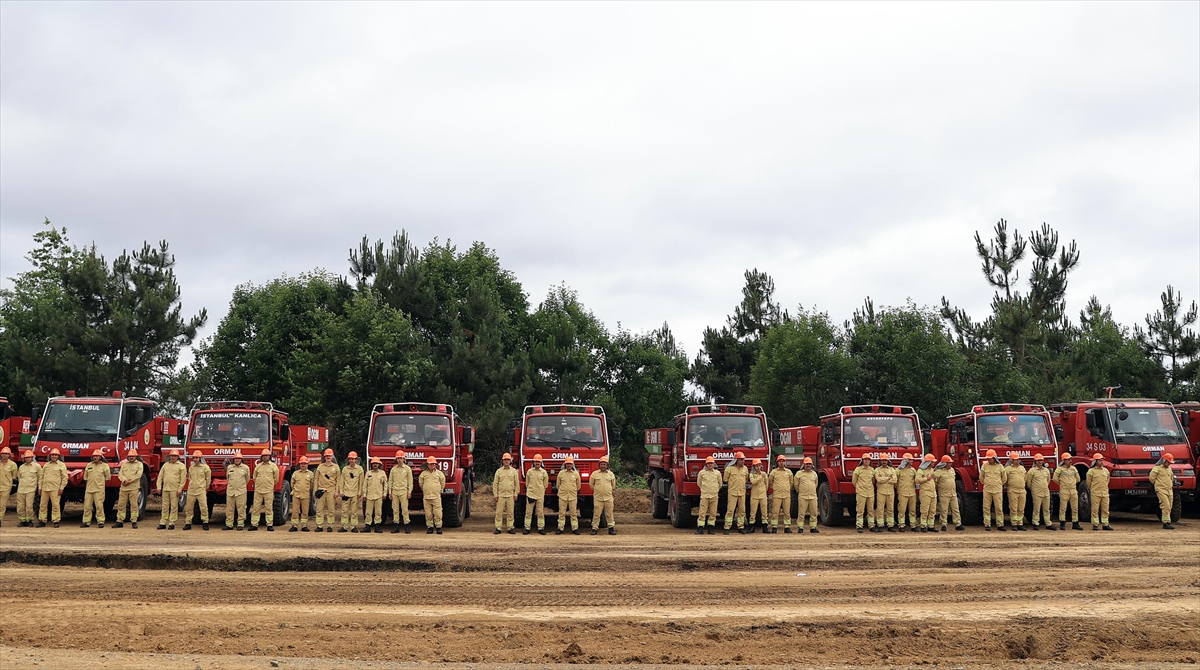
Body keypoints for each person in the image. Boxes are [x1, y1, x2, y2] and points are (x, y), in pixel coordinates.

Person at [248, 449, 279, 531]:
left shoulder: (273, 466)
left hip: (268, 490)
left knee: (268, 508)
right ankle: (254, 525)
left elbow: (276, 479)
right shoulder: (258, 466)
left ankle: (269, 524)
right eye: (264, 456)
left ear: (269, 456)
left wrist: (269, 485)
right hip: (258, 491)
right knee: (256, 508)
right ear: (261, 457)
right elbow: (254, 477)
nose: (265, 457)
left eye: (267, 455)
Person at [37, 448, 68, 528]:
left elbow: (65, 477)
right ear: (50, 456)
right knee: (42, 505)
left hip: (55, 489)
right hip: (45, 488)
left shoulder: (62, 465)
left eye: (55, 455)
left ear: (58, 456)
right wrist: (40, 487)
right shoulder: (46, 465)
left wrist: (61, 488)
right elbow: (41, 477)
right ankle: (42, 520)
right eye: (52, 455)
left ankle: (56, 520)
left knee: (55, 505)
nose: (54, 456)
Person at [156, 450, 187, 530]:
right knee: (164, 506)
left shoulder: (181, 466)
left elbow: (183, 479)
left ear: (177, 457)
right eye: (172, 456)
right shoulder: (165, 465)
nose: (173, 457)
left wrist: (180, 489)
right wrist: (159, 487)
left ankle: (172, 523)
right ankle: (163, 522)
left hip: (175, 489)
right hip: (166, 489)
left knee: (174, 507)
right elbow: (160, 477)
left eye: (174, 456)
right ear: (169, 456)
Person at [114, 449, 144, 529]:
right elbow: (120, 474)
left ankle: (134, 521)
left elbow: (138, 475)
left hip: (133, 488)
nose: (131, 458)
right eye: (130, 456)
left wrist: (129, 481)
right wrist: (124, 480)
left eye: (133, 456)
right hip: (123, 488)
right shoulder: (124, 464)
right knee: (121, 505)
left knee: (134, 505)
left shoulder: (139, 464)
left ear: (136, 457)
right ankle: (119, 521)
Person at [979, 449, 1007, 531]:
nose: (988, 460)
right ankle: (987, 524)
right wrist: (987, 483)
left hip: (997, 490)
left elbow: (1004, 478)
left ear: (994, 458)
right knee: (986, 507)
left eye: (990, 458)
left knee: (999, 508)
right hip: (987, 490)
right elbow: (981, 477)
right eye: (988, 458)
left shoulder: (1000, 466)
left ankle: (1000, 524)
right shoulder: (984, 466)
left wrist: (998, 484)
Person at [1053, 453, 1083, 530]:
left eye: (1070, 459)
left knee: (1075, 508)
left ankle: (1075, 523)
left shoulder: (1074, 469)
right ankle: (1062, 523)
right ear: (1064, 460)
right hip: (1064, 491)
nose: (1070, 461)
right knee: (1063, 508)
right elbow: (1055, 479)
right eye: (1068, 459)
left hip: (1073, 490)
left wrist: (1072, 484)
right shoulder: (1059, 469)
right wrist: (1062, 484)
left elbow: (1078, 479)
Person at [933, 455, 964, 531]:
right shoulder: (937, 472)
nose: (951, 464)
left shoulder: (952, 470)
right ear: (944, 463)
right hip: (944, 494)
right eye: (949, 463)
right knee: (944, 510)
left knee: (956, 509)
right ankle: (943, 524)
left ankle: (958, 524)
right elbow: (934, 483)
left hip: (953, 494)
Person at [183, 450, 211, 531]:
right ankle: (188, 523)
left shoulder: (206, 468)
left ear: (200, 458)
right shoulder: (191, 468)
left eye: (196, 458)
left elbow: (208, 479)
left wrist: (204, 488)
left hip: (201, 490)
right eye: (194, 458)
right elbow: (190, 478)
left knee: (203, 507)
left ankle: (205, 522)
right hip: (191, 490)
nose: (195, 459)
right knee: (189, 507)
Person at [722, 452, 750, 534]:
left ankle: (740, 527)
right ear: (736, 460)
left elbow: (746, 479)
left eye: (743, 460)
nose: (743, 461)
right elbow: (725, 479)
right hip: (732, 492)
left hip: (742, 492)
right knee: (730, 510)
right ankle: (727, 527)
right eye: (741, 460)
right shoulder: (729, 468)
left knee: (742, 511)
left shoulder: (745, 469)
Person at [314, 448, 340, 532]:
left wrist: (337, 491)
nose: (328, 457)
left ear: (332, 457)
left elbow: (338, 480)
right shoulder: (320, 467)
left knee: (331, 509)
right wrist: (315, 491)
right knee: (319, 509)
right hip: (321, 490)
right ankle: (319, 526)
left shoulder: (336, 467)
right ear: (324, 457)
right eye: (326, 456)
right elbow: (316, 479)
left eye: (329, 456)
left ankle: (330, 525)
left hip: (331, 490)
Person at [338, 451, 365, 532]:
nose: (351, 460)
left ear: (356, 460)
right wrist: (341, 491)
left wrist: (360, 492)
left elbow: (361, 482)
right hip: (345, 493)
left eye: (353, 459)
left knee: (354, 511)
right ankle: (344, 526)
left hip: (355, 494)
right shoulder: (345, 469)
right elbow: (341, 481)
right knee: (344, 511)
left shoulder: (360, 469)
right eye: (350, 459)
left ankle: (353, 526)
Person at [493, 453, 520, 534]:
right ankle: (498, 527)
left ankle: (510, 527)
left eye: (508, 459)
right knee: (499, 512)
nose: (506, 461)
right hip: (501, 495)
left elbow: (516, 484)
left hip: (510, 495)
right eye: (505, 460)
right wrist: (495, 494)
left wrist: (516, 494)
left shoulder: (514, 471)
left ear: (510, 461)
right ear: (502, 461)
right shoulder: (499, 471)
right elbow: (495, 484)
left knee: (510, 512)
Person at [81, 449, 109, 528]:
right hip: (89, 489)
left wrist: (100, 484)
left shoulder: (105, 466)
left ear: (100, 457)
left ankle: (100, 521)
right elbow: (85, 477)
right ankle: (86, 522)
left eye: (97, 456)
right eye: (94, 456)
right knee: (87, 506)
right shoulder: (89, 465)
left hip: (99, 490)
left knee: (99, 506)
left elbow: (107, 477)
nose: (95, 457)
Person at [1148, 453, 1177, 529]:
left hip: (1169, 490)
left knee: (1170, 506)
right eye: (1168, 462)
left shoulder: (1169, 469)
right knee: (1165, 505)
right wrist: (1158, 485)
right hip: (1161, 490)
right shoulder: (1157, 468)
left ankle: (1167, 521)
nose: (1169, 464)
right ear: (1164, 460)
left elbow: (1171, 478)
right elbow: (1152, 478)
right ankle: (1166, 523)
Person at [590, 455, 617, 535]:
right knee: (596, 514)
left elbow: (613, 485)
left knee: (609, 514)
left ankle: (611, 528)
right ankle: (594, 529)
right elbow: (591, 485)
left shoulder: (611, 474)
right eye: (601, 464)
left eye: (604, 464)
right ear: (599, 465)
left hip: (608, 498)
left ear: (607, 465)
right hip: (598, 498)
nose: (603, 466)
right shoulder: (594, 474)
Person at [387, 451, 413, 534]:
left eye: (401, 458)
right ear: (396, 459)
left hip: (403, 492)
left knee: (405, 509)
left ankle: (407, 526)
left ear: (403, 459)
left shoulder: (407, 469)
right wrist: (390, 492)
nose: (399, 460)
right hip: (395, 492)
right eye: (398, 458)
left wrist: (409, 492)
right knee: (395, 510)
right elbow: (390, 481)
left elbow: (410, 482)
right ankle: (396, 526)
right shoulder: (393, 469)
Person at [223, 451, 250, 531]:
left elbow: (247, 479)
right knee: (229, 508)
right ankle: (229, 524)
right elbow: (228, 478)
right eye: (235, 459)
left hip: (241, 491)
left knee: (241, 508)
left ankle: (240, 524)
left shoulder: (245, 468)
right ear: (233, 460)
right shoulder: (229, 467)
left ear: (241, 459)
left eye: (239, 459)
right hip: (231, 491)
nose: (237, 460)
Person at [1027, 454, 1054, 531]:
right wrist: (1034, 489)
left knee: (1046, 509)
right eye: (1038, 460)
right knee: (1036, 508)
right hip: (1036, 492)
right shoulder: (1032, 471)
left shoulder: (1046, 470)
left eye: (1041, 460)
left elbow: (1048, 480)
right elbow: (1029, 482)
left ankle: (1048, 523)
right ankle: (1035, 523)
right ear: (1035, 461)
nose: (1040, 462)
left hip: (1046, 492)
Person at [1086, 453, 1113, 531]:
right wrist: (1094, 489)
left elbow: (1107, 480)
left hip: (1105, 493)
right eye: (1100, 460)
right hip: (1095, 493)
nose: (1102, 462)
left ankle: (1105, 524)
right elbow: (1088, 482)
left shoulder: (1106, 471)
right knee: (1095, 509)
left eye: (1102, 460)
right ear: (1095, 461)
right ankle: (1095, 524)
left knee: (1105, 509)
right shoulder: (1091, 471)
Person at [418, 456, 445, 534]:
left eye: (433, 463)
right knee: (428, 513)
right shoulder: (423, 474)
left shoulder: (439, 474)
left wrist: (438, 490)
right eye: (430, 464)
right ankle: (430, 527)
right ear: (427, 464)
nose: (432, 465)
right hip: (426, 497)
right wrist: (426, 490)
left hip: (436, 497)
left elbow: (442, 483)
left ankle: (438, 527)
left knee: (438, 513)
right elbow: (421, 484)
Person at [524, 454, 549, 535]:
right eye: (536, 462)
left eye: (538, 462)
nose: (537, 463)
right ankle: (527, 528)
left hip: (540, 495)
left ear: (541, 463)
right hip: (530, 495)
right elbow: (527, 483)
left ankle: (541, 528)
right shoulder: (529, 472)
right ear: (533, 462)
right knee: (528, 512)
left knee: (540, 512)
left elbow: (545, 485)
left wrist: (541, 491)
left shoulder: (544, 472)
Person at [556, 457, 582, 535]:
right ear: (565, 464)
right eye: (567, 464)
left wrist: (573, 491)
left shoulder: (576, 474)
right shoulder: (561, 473)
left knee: (573, 513)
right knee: (561, 513)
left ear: (572, 465)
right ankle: (560, 528)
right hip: (562, 496)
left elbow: (578, 486)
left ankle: (575, 528)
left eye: (570, 464)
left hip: (572, 496)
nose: (569, 465)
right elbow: (558, 484)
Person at [767, 455, 793, 533]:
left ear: (785, 462)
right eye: (780, 461)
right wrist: (775, 489)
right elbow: (770, 482)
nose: (781, 463)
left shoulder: (789, 472)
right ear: (777, 462)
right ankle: (774, 527)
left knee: (787, 511)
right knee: (775, 511)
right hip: (777, 495)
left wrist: (787, 489)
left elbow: (791, 482)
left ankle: (787, 527)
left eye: (783, 461)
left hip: (786, 495)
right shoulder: (773, 472)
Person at [793, 457, 819, 533]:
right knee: (801, 513)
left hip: (813, 496)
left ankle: (813, 527)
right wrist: (801, 492)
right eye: (807, 464)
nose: (808, 465)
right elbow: (796, 485)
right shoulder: (799, 474)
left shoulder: (814, 474)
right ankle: (800, 527)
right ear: (804, 465)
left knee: (814, 513)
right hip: (803, 496)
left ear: (812, 465)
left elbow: (816, 484)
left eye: (809, 464)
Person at [696, 456, 721, 534]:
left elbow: (720, 484)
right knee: (702, 512)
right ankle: (700, 528)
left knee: (713, 513)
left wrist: (715, 490)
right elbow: (699, 483)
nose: (710, 465)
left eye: (711, 463)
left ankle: (711, 528)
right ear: (706, 464)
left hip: (714, 496)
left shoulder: (717, 473)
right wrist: (704, 490)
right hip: (704, 496)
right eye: (708, 463)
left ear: (714, 464)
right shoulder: (702, 473)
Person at [852, 454, 876, 533]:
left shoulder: (872, 470)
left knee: (871, 510)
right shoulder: (858, 470)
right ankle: (859, 526)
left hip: (870, 492)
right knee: (860, 510)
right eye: (865, 459)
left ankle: (871, 526)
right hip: (861, 493)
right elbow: (854, 481)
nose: (867, 461)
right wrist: (859, 488)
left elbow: (873, 481)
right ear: (862, 460)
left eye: (868, 460)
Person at [1004, 452, 1028, 531]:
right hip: (1012, 490)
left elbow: (1025, 478)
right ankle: (1014, 524)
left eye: (1017, 459)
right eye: (1015, 460)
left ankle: (1020, 523)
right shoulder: (1007, 469)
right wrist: (1010, 486)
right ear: (1011, 460)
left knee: (1021, 508)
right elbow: (1005, 480)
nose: (1017, 461)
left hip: (1022, 490)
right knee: (1013, 508)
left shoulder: (1022, 468)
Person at [16, 450, 40, 527]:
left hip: (31, 489)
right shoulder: (21, 467)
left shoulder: (37, 466)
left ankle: (29, 520)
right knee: (20, 506)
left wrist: (39, 488)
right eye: (26, 457)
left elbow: (40, 477)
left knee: (29, 506)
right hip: (21, 489)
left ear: (32, 458)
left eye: (29, 457)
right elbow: (19, 477)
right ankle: (22, 520)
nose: (27, 459)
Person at [289, 456, 314, 532]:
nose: (303, 465)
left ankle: (304, 526)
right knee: (295, 511)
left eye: (305, 464)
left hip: (305, 495)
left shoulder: (311, 474)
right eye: (302, 464)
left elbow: (312, 484)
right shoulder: (295, 473)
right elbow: (292, 483)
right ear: (299, 464)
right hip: (296, 495)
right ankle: (294, 526)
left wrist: (306, 490)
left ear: (307, 464)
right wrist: (296, 490)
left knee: (305, 511)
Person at [873, 455, 897, 532]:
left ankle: (890, 525)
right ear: (880, 461)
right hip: (881, 492)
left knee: (890, 509)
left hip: (890, 492)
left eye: (885, 460)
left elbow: (895, 480)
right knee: (880, 509)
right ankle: (880, 525)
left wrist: (884, 479)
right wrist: (888, 478)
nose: (884, 462)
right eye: (882, 460)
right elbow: (878, 480)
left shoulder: (892, 469)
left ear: (888, 461)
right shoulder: (876, 470)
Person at [363, 457, 387, 533]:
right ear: (371, 464)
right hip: (369, 495)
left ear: (379, 464)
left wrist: (385, 493)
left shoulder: (382, 473)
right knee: (368, 512)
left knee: (378, 512)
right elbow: (365, 484)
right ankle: (368, 526)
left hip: (379, 495)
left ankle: (377, 526)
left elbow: (385, 484)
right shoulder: (368, 473)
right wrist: (364, 494)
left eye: (376, 463)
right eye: (373, 463)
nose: (375, 465)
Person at [915, 454, 938, 532]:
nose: (933, 463)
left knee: (932, 510)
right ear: (928, 462)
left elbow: (933, 480)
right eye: (932, 462)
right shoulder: (921, 470)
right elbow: (917, 480)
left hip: (933, 493)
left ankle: (930, 525)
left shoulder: (932, 470)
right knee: (925, 510)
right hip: (925, 493)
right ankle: (923, 525)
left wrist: (935, 478)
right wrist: (926, 478)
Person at [895, 454, 917, 532]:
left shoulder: (913, 470)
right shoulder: (898, 470)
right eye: (911, 460)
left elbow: (916, 480)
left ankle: (913, 525)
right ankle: (901, 525)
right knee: (902, 510)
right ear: (906, 461)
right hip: (902, 493)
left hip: (912, 493)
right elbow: (895, 481)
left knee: (912, 510)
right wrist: (898, 489)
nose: (912, 461)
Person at [747, 459, 769, 533]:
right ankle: (751, 527)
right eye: (756, 466)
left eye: (759, 466)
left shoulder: (764, 474)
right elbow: (753, 482)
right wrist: (760, 477)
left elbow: (767, 484)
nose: (758, 467)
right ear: (754, 467)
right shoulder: (751, 474)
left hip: (763, 495)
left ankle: (765, 527)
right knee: (753, 512)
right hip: (754, 496)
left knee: (764, 512)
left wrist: (764, 491)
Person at [0, 447, 17, 527]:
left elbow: (14, 477)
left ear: (9, 455)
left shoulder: (13, 465)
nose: (4, 455)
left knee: (2, 505)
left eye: (6, 454)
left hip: (6, 487)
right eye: (3, 453)